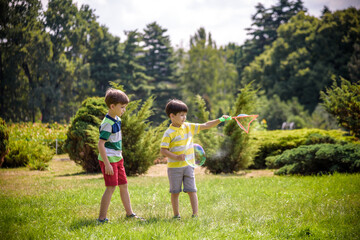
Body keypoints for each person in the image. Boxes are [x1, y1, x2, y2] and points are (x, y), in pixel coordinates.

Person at [160, 99, 230, 219]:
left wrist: (220, 119)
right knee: (175, 192)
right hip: (174, 168)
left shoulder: (188, 127)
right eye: (181, 115)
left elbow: (206, 125)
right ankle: (176, 215)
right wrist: (176, 157)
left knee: (192, 190)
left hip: (189, 166)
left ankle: (195, 214)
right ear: (172, 116)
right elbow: (163, 150)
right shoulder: (168, 133)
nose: (184, 117)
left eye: (185, 115)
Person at [97, 88, 144, 223]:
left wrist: (120, 155)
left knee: (123, 185)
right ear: (112, 106)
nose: (124, 110)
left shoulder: (117, 119)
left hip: (118, 158)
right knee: (111, 187)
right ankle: (101, 218)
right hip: (109, 160)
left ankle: (129, 214)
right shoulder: (107, 123)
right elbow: (101, 145)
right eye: (122, 107)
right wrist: (107, 164)